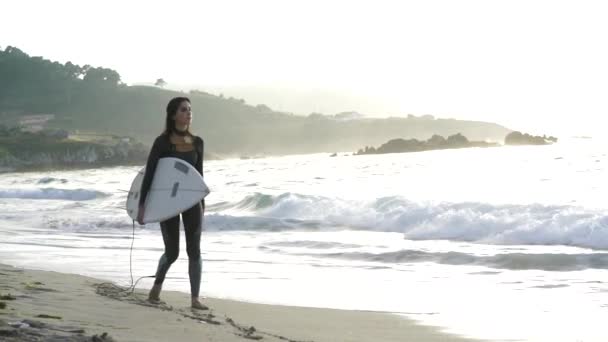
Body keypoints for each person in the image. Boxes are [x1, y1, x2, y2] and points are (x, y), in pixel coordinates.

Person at [137, 97, 207, 310]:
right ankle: (156, 288)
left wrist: (202, 203)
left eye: (190, 110)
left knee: (194, 250)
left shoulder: (197, 142)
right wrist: (142, 206)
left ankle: (195, 299)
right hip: (166, 202)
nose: (188, 113)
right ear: (173, 114)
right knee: (173, 251)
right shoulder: (162, 142)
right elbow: (150, 174)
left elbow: (199, 177)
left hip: (191, 202)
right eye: (184, 110)